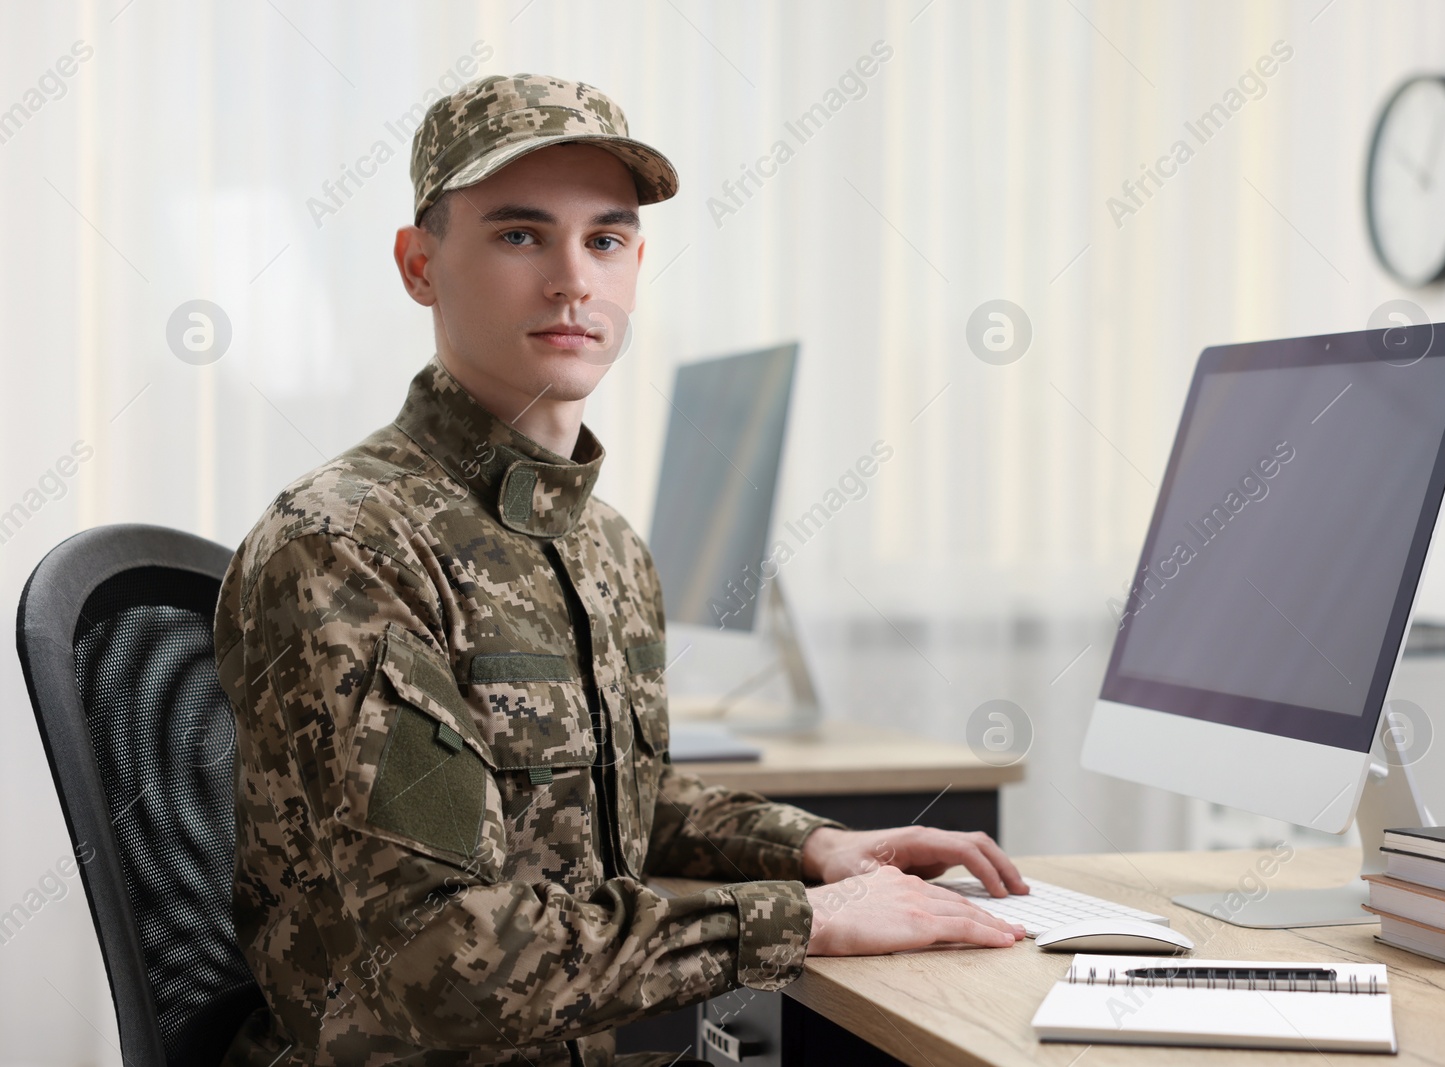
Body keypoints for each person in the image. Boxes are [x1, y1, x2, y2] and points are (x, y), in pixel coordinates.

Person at [213, 73, 1027, 1067]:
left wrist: (816, 850)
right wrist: (791, 919)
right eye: (519, 235)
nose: (571, 280)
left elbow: (605, 798)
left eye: (603, 240)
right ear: (419, 265)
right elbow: (445, 952)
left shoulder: (605, 546)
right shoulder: (348, 544)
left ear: (636, 262)